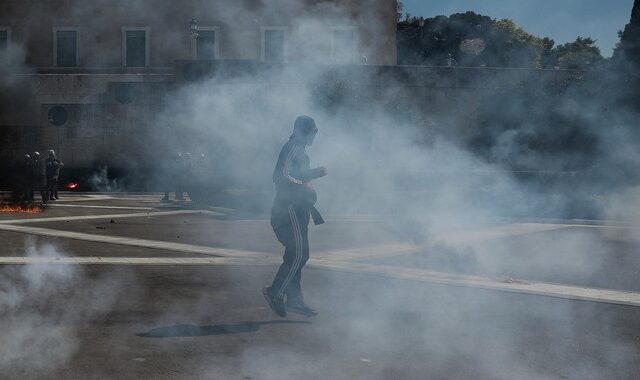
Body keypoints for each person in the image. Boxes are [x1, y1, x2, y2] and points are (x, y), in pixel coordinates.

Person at [263, 116, 328, 317]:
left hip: (297, 209)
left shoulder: (299, 150)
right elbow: (281, 177)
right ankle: (276, 292)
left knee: (295, 254)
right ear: (302, 131)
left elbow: (296, 176)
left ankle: (294, 299)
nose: (314, 137)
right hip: (288, 208)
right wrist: (312, 175)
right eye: (312, 132)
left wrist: (307, 186)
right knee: (300, 253)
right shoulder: (292, 147)